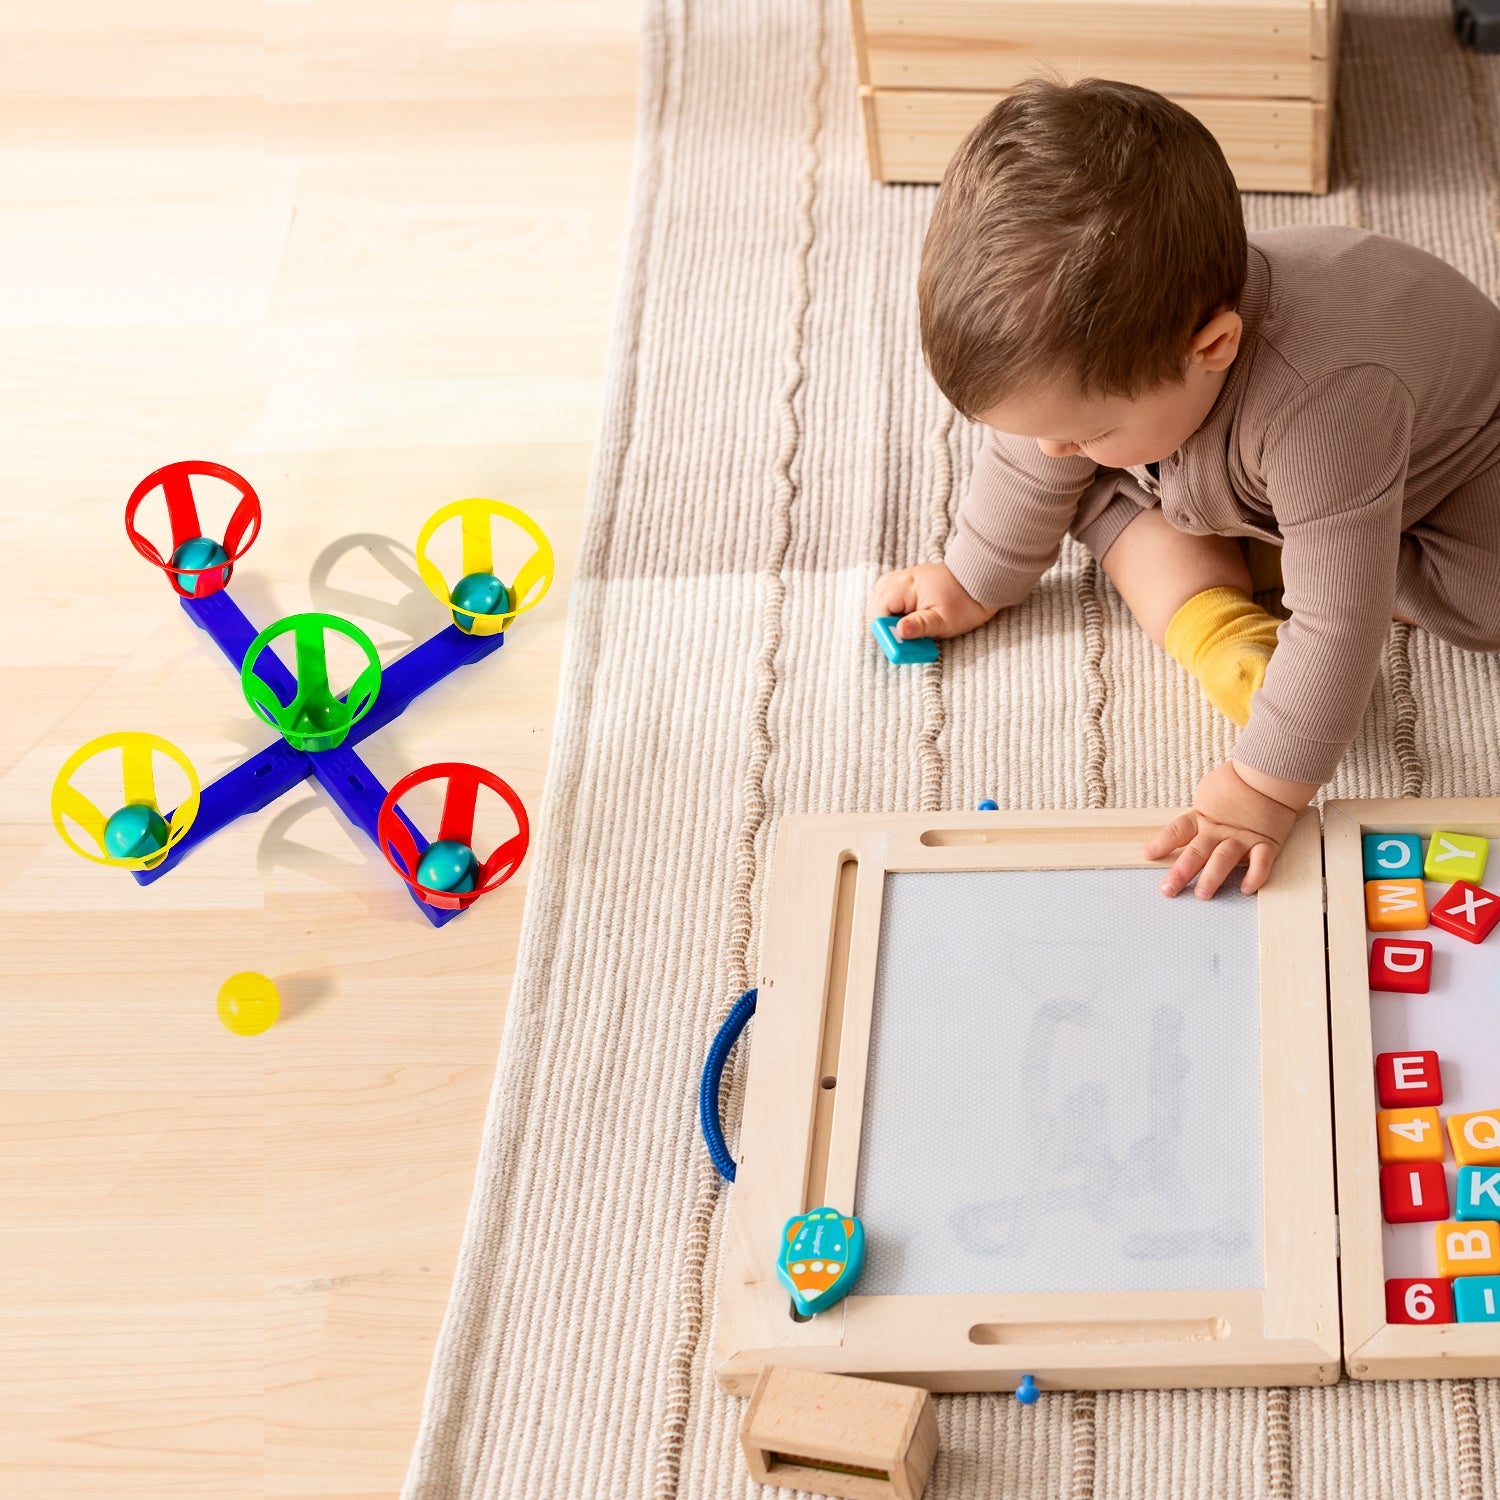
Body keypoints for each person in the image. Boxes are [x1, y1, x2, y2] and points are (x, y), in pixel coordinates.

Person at [871, 77, 1500, 897]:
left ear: (1213, 345)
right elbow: (1041, 453)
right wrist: (974, 577)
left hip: (1447, 485)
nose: (1053, 446)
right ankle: (1220, 617)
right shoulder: (1124, 377)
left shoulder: (1325, 399)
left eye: (1086, 428)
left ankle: (1312, 559)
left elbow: (1342, 624)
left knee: (1474, 596)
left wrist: (1261, 788)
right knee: (1084, 486)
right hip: (1255, 471)